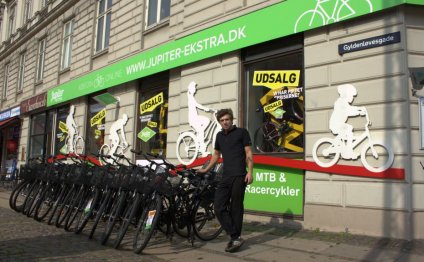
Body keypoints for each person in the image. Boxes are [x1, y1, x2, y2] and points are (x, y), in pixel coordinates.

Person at [198, 108, 253, 253]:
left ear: (232, 119)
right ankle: (235, 235)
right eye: (222, 121)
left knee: (236, 207)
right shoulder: (219, 136)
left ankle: (235, 238)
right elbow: (216, 155)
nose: (225, 122)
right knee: (218, 207)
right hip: (225, 176)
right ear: (220, 122)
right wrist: (206, 169)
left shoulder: (242, 132)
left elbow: (248, 153)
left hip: (240, 175)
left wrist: (251, 172)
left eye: (227, 119)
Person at [329, 84, 366, 159]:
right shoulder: (340, 102)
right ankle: (348, 152)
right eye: (351, 96)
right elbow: (348, 111)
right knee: (349, 128)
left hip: (340, 124)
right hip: (336, 124)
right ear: (345, 95)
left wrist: (359, 110)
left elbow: (349, 109)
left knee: (348, 131)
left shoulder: (344, 103)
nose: (352, 98)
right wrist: (359, 110)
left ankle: (347, 150)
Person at [187, 81, 213, 157]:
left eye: (195, 87)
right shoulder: (190, 97)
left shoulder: (190, 96)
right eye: (194, 87)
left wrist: (208, 109)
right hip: (193, 118)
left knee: (207, 121)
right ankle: (202, 150)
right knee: (201, 131)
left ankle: (199, 135)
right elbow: (197, 105)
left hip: (195, 117)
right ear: (190, 89)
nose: (195, 89)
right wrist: (205, 109)